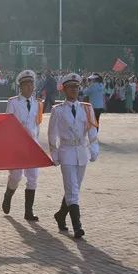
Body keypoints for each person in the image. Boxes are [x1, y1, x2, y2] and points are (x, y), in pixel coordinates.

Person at [48, 73, 99, 239]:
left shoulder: (86, 108)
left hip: (81, 151)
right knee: (72, 189)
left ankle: (61, 215)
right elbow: (52, 134)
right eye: (71, 87)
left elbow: (92, 129)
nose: (75, 90)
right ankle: (78, 226)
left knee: (74, 188)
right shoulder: (58, 110)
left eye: (77, 87)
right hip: (67, 151)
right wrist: (54, 153)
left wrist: (94, 147)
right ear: (64, 89)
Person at [1, 70, 44, 221]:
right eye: (26, 85)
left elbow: (37, 125)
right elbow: (7, 124)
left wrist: (36, 142)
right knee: (16, 176)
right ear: (21, 87)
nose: (29, 87)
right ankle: (8, 194)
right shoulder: (13, 102)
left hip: (32, 145)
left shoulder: (37, 103)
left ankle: (28, 211)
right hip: (17, 146)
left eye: (31, 84)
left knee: (33, 177)